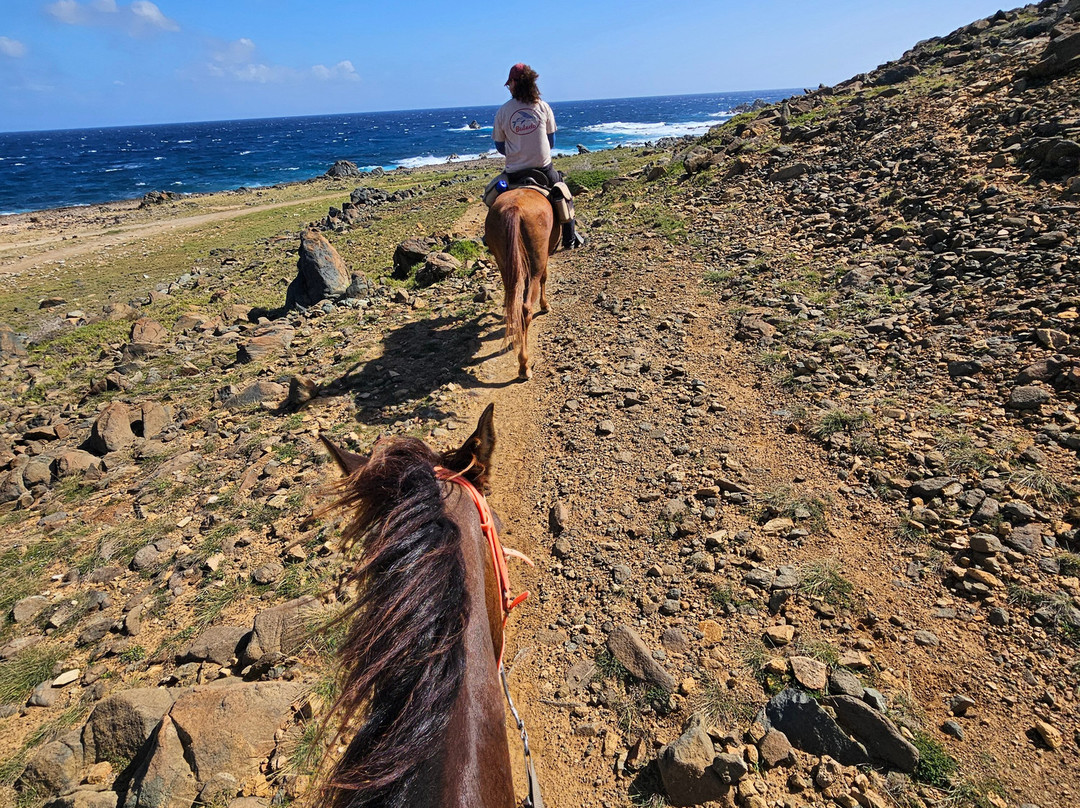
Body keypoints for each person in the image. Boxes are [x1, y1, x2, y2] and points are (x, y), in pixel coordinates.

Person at [493, 63, 585, 249]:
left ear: (514, 83)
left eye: (509, 84)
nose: (508, 88)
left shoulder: (503, 111)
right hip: (543, 169)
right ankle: (570, 238)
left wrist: (516, 152)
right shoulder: (543, 107)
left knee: (491, 197)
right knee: (563, 194)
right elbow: (551, 141)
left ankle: (491, 238)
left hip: (514, 173)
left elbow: (499, 146)